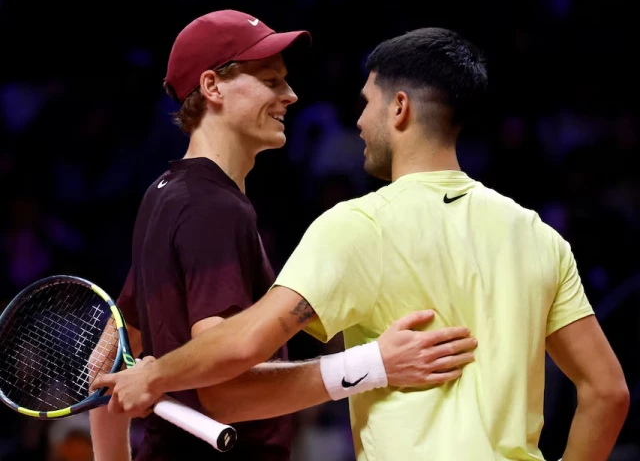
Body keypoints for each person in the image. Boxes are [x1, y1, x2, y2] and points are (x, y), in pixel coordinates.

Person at [95, 25, 630, 461]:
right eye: (272, 80)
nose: (356, 119)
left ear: (399, 108)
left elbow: (215, 354)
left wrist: (156, 374)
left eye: (366, 103)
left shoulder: (355, 224)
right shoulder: (539, 236)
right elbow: (608, 393)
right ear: (211, 88)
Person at [89, 12, 480, 461]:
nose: (290, 96)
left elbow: (105, 365)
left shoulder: (163, 195)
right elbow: (227, 389)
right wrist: (375, 365)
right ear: (213, 87)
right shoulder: (213, 208)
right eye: (271, 81)